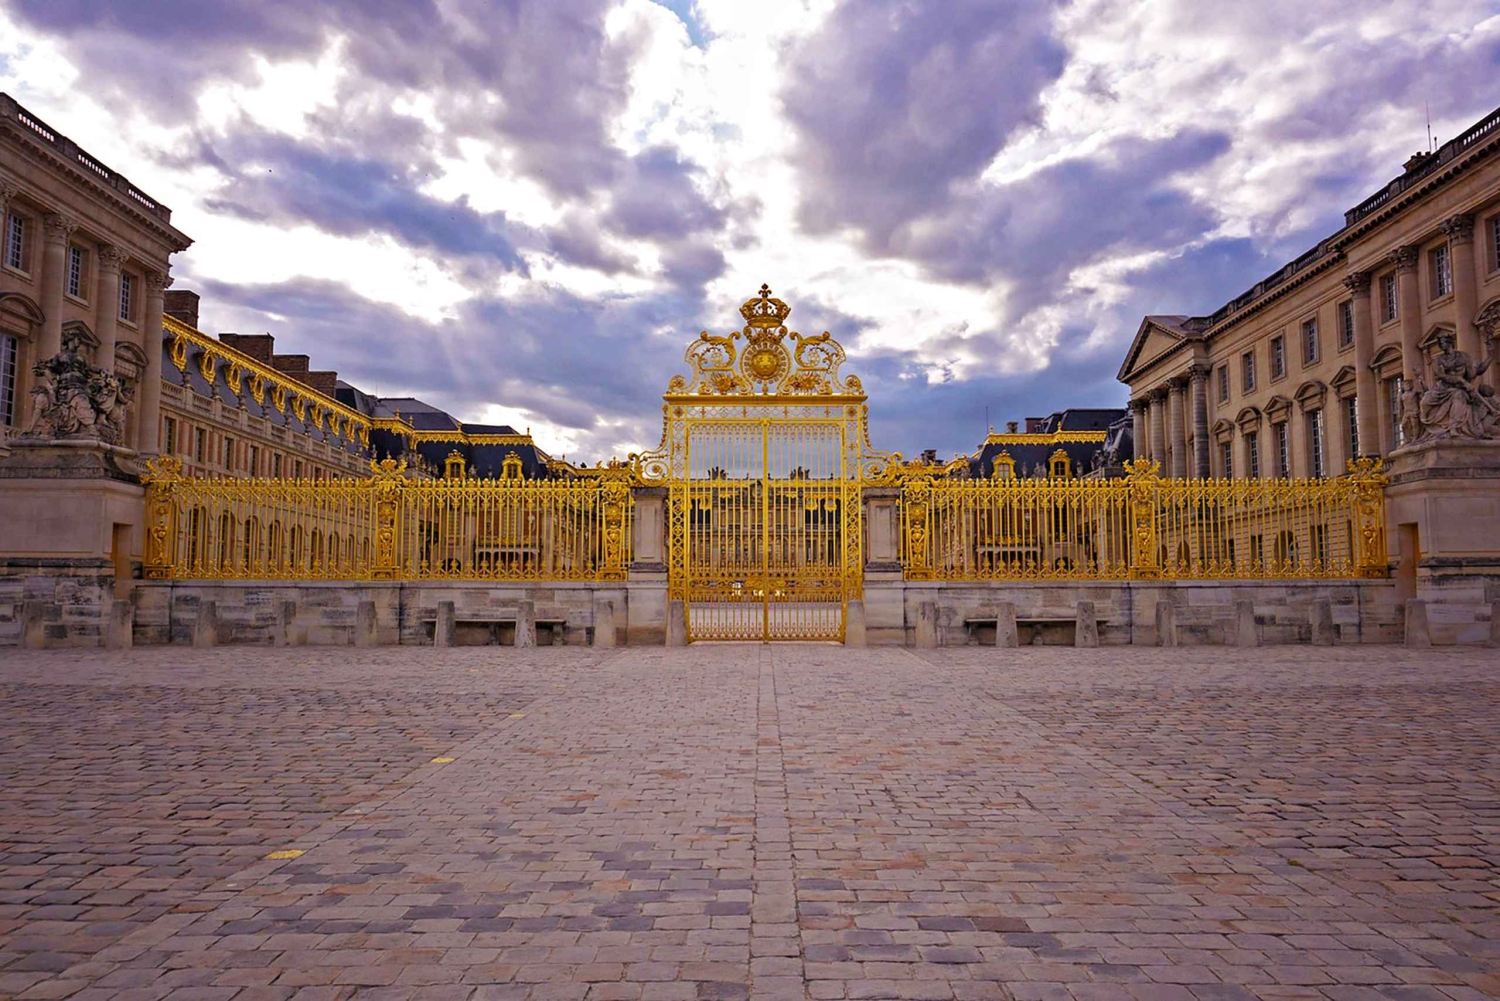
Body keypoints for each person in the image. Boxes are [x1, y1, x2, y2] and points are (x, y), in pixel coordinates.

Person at [1417, 331, 1500, 440]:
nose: (1441, 346)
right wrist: (1458, 379)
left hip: (1459, 389)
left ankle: (1454, 427)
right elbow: (1441, 375)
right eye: (1440, 344)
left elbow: (1475, 372)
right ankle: (1427, 431)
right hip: (1442, 388)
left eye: (1443, 343)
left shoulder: (1464, 357)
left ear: (1450, 343)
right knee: (1424, 402)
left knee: (1458, 396)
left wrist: (1489, 356)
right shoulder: (1438, 360)